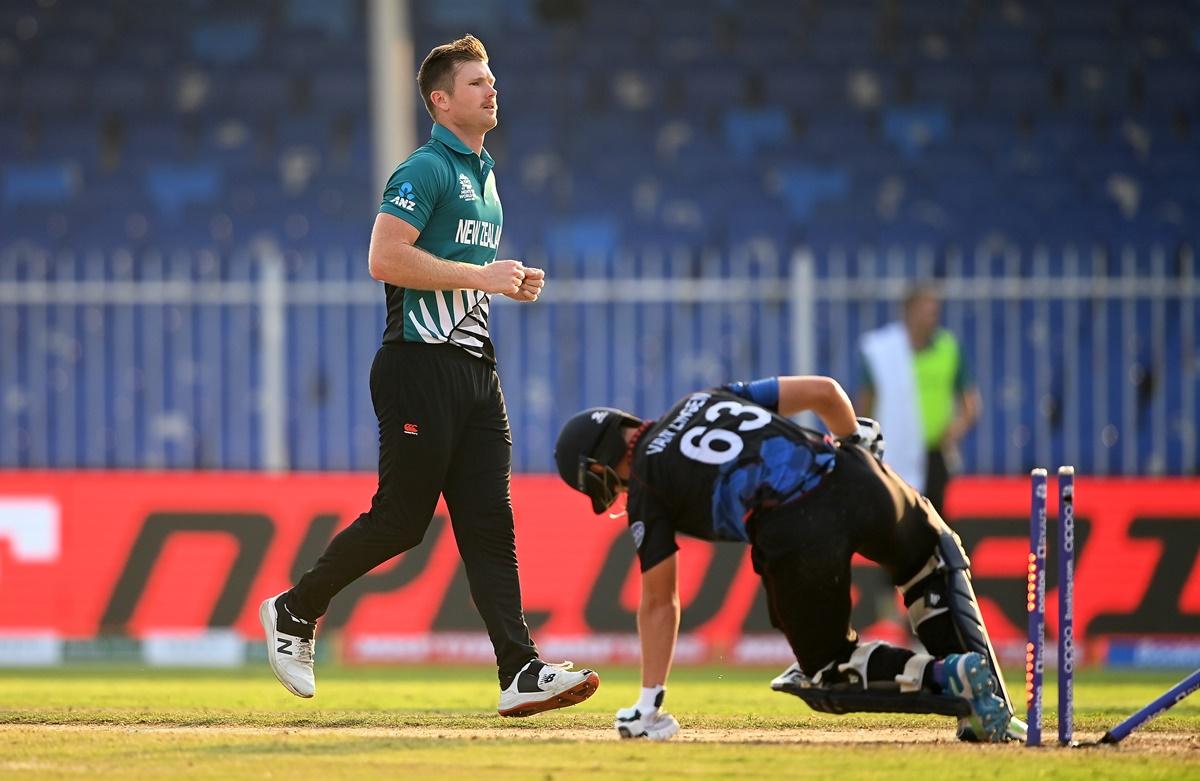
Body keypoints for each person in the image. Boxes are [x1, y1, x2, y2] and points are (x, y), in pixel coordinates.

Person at [260, 34, 598, 717]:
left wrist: (504, 285)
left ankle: (520, 669)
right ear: (441, 100)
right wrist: (481, 276)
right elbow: (384, 258)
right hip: (417, 364)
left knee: (489, 523)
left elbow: (456, 270)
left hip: (475, 368)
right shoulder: (425, 169)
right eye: (477, 82)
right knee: (402, 521)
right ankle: (294, 610)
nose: (492, 89)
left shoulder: (484, 172)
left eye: (492, 79)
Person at [553, 375, 1019, 742]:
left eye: (605, 485)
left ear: (598, 468)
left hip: (796, 527)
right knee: (929, 564)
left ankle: (950, 675)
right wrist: (856, 441)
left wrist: (649, 702)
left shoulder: (647, 486)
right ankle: (992, 708)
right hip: (856, 473)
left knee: (827, 669)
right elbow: (825, 392)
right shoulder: (706, 398)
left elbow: (660, 601)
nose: (615, 493)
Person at [857, 284, 981, 516]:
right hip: (894, 453)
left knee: (935, 523)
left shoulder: (949, 348)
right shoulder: (883, 352)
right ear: (908, 311)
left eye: (934, 311)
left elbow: (970, 405)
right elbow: (866, 402)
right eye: (926, 310)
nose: (931, 317)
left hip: (934, 453)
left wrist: (953, 431)